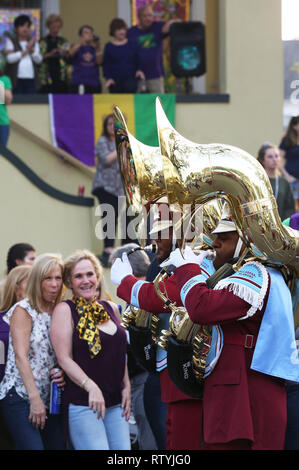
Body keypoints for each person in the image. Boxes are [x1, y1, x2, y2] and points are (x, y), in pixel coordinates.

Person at [164, 209, 298, 450]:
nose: (214, 243)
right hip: (245, 389)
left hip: (243, 393)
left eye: (224, 238)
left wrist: (186, 269)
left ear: (246, 239)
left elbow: (201, 308)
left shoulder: (256, 272)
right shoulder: (259, 273)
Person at [111, 202, 205, 450]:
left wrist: (125, 283)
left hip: (190, 370)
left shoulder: (200, 259)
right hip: (168, 369)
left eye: (162, 231)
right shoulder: (166, 261)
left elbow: (167, 296)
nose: (154, 238)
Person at [50, 249, 131, 450]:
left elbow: (119, 353)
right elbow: (64, 358)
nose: (86, 280)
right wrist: (91, 386)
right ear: (69, 282)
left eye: (89, 274)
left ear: (97, 276)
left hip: (115, 402)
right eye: (78, 276)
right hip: (84, 403)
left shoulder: (110, 308)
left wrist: (127, 386)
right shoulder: (64, 310)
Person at [0, 253, 65, 450]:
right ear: (37, 280)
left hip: (51, 398)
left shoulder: (60, 310)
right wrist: (34, 399)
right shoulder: (24, 309)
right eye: (48, 278)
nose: (54, 284)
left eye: (58, 278)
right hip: (20, 395)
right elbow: (20, 356)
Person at [110, 243, 157, 450]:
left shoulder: (140, 295)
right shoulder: (152, 289)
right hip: (148, 379)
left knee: (151, 438)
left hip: (145, 380)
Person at [0, 264, 32, 450]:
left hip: (36, 397)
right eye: (31, 283)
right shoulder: (2, 321)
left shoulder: (44, 318)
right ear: (16, 287)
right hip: (7, 396)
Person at [91, 114, 124, 267]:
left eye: (115, 124)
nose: (112, 126)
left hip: (117, 188)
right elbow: (106, 159)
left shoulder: (121, 142)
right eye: (109, 124)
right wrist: (120, 145)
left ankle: (111, 247)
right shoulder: (103, 141)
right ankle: (108, 248)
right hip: (104, 186)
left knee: (114, 216)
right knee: (108, 215)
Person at [128, 5, 180, 93]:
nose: (148, 18)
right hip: (137, 75)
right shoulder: (131, 32)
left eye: (150, 16)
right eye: (145, 16)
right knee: (139, 104)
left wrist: (171, 22)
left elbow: (177, 23)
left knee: (158, 103)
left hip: (155, 74)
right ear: (139, 17)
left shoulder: (157, 27)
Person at [103, 18, 145, 94]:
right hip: (115, 83)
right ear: (113, 31)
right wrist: (108, 78)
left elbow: (139, 59)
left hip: (131, 81)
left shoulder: (132, 44)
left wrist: (139, 70)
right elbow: (106, 65)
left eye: (124, 29)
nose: (122, 32)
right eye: (119, 29)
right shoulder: (109, 46)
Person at [4, 14, 42, 93]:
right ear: (16, 28)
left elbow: (39, 60)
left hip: (31, 79)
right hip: (16, 79)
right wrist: (26, 51)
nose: (25, 29)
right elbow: (9, 59)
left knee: (31, 103)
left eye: (28, 26)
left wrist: (31, 50)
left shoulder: (34, 43)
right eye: (22, 26)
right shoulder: (11, 41)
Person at [257, 142, 295, 221]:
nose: (274, 159)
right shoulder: (257, 180)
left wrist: (284, 223)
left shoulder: (283, 182)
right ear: (263, 160)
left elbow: (290, 208)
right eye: (270, 157)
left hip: (281, 225)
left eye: (276, 156)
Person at [39, 14, 70, 94]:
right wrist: (49, 54)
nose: (56, 30)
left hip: (61, 77)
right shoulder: (42, 41)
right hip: (46, 77)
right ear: (49, 27)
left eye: (58, 27)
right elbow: (38, 58)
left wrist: (63, 53)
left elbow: (69, 56)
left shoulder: (63, 41)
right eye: (53, 27)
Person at [69, 25, 102, 94]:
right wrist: (81, 42)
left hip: (94, 83)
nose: (89, 35)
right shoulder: (75, 47)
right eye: (86, 32)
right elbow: (70, 54)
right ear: (81, 35)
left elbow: (99, 62)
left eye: (91, 33)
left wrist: (98, 47)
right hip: (79, 82)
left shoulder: (94, 49)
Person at [279, 115, 299, 208]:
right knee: (292, 205)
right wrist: (287, 176)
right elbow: (278, 160)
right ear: (295, 126)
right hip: (292, 179)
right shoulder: (287, 140)